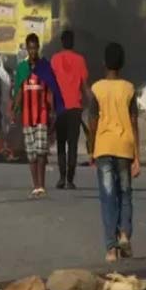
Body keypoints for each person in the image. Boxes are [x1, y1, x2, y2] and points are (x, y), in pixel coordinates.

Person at [88, 42, 141, 263]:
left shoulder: (96, 88)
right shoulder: (129, 89)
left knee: (108, 197)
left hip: (103, 146)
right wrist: (137, 155)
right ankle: (124, 234)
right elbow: (134, 121)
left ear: (104, 63)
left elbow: (92, 121)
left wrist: (91, 148)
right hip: (125, 147)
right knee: (125, 193)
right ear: (122, 63)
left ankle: (111, 248)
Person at [12, 33, 64, 199]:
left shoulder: (45, 67)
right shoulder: (22, 68)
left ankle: (41, 185)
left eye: (35, 48)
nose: (33, 51)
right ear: (27, 49)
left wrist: (52, 111)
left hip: (42, 114)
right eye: (30, 48)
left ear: (38, 48)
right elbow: (19, 91)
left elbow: (50, 90)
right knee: (31, 153)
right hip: (27, 116)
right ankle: (35, 185)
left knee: (41, 151)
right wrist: (14, 110)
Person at [51, 30, 89, 189]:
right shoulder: (80, 60)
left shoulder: (54, 60)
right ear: (72, 42)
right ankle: (70, 179)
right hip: (75, 108)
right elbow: (84, 85)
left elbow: (51, 85)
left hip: (60, 108)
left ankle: (61, 177)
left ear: (62, 42)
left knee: (61, 143)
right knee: (72, 144)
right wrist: (87, 105)